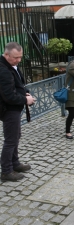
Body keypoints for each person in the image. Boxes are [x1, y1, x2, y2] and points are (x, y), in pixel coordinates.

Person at [0, 42, 36, 182]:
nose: (19, 60)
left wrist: (25, 93)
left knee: (16, 136)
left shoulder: (11, 65)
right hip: (8, 109)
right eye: (16, 57)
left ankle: (15, 163)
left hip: (14, 107)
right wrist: (25, 100)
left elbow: (18, 84)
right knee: (11, 140)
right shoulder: (3, 70)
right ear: (6, 54)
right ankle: (6, 170)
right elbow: (8, 96)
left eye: (20, 57)